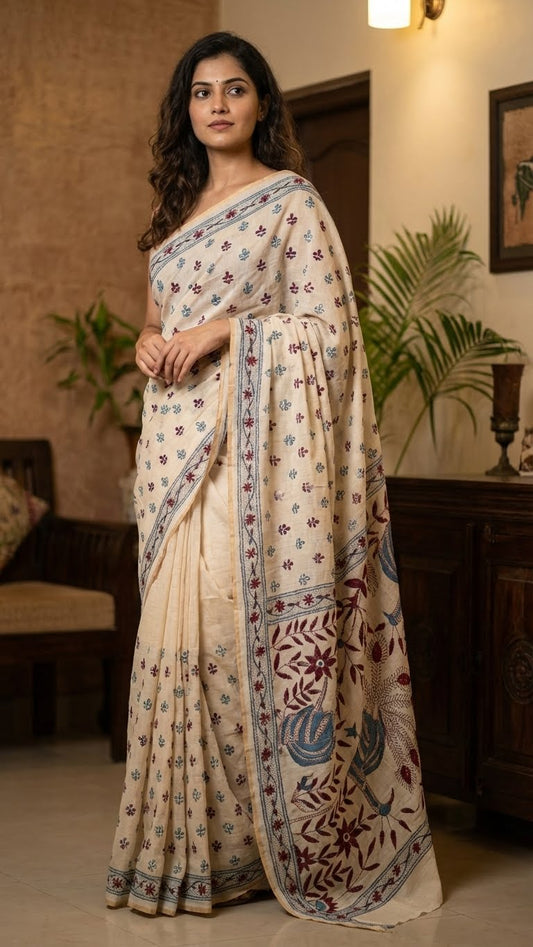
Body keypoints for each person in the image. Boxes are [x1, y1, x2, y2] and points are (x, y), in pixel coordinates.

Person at [106, 31, 442, 929]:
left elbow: (328, 336)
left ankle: (264, 849)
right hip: (179, 458)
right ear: (185, 112)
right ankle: (187, 851)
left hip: (257, 472)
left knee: (232, 642)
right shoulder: (174, 217)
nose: (217, 104)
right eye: (201, 93)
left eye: (235, 89)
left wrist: (227, 331)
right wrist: (151, 342)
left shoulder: (291, 202)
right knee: (171, 654)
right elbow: (156, 321)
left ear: (261, 105)